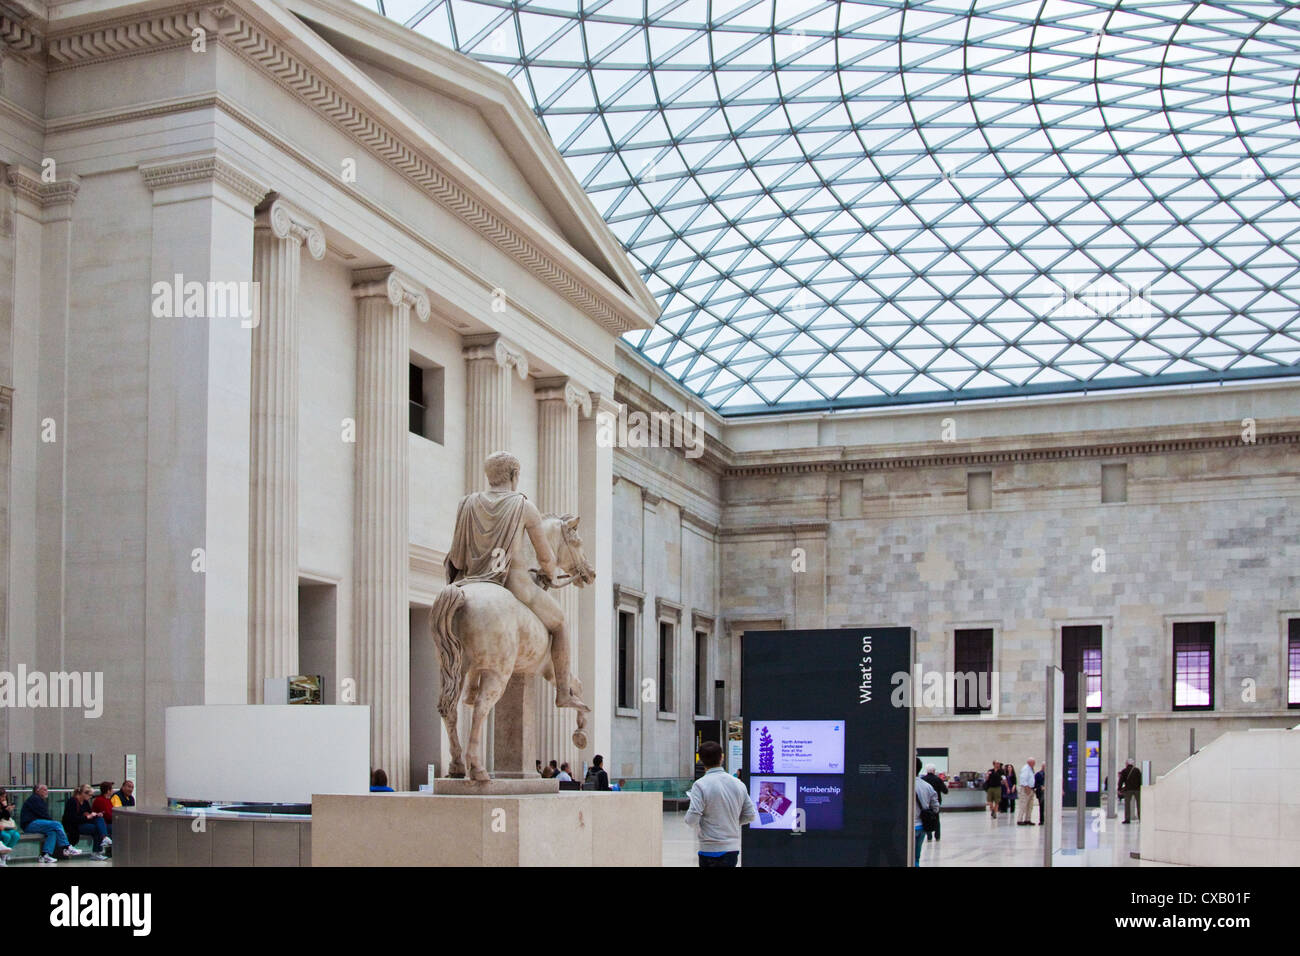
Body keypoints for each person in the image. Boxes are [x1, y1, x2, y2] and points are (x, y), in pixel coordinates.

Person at [445, 452, 589, 711]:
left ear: (488, 475)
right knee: (560, 624)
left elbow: (456, 557)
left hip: (468, 581)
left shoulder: (465, 503)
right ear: (514, 476)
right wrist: (550, 571)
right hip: (515, 584)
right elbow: (546, 558)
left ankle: (471, 685)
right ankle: (564, 691)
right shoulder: (524, 506)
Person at [684, 740, 757, 867]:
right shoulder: (738, 784)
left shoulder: (700, 785)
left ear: (701, 760)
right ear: (722, 757)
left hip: (709, 849)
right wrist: (731, 821)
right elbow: (750, 815)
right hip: (731, 849)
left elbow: (691, 819)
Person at [20, 783, 79, 863]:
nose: (47, 791)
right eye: (44, 790)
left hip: (35, 823)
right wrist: (53, 823)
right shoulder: (34, 799)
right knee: (56, 824)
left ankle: (45, 855)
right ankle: (66, 847)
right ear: (37, 791)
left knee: (52, 832)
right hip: (29, 824)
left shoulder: (38, 800)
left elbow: (43, 816)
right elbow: (43, 815)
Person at [63, 784, 111, 860]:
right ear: (83, 793)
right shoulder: (72, 801)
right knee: (96, 829)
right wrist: (87, 817)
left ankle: (104, 838)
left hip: (84, 822)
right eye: (90, 795)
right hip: (75, 825)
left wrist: (95, 815)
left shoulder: (85, 802)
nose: (90, 797)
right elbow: (72, 819)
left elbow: (89, 812)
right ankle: (97, 850)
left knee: (100, 819)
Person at [914, 758, 940, 865]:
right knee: (916, 856)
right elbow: (936, 807)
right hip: (923, 826)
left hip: (910, 826)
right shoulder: (927, 786)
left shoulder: (905, 785)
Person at [920, 765, 948, 841]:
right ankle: (937, 836)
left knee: (927, 818)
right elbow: (945, 791)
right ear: (934, 771)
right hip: (936, 802)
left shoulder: (923, 780)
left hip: (925, 802)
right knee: (936, 818)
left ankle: (929, 836)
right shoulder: (938, 779)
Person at [1119, 758, 1142, 824]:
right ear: (1133, 764)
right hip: (1137, 790)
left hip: (1128, 790)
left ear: (1127, 764)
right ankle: (1140, 818)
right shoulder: (1137, 770)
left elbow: (1121, 781)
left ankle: (1127, 819)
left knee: (1127, 805)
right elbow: (1140, 780)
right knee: (1139, 804)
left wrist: (1119, 789)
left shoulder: (1124, 771)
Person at [0, 788, 19, 866]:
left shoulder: (3, 804)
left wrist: (6, 809)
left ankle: (4, 855)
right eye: (2, 797)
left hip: (4, 826)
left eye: (5, 797)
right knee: (6, 836)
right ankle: (1, 855)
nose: (4, 799)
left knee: (15, 835)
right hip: (1, 828)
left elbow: (7, 817)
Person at [1017, 758, 1037, 825]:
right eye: (1033, 762)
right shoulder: (1026, 768)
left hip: (1031, 789)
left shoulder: (1030, 769)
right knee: (1023, 805)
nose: (1034, 764)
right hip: (1026, 789)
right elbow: (1023, 779)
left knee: (1030, 805)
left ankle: (1027, 819)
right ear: (1029, 762)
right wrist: (1026, 788)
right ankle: (1019, 820)